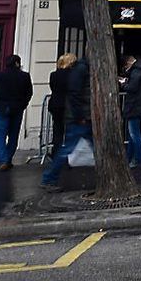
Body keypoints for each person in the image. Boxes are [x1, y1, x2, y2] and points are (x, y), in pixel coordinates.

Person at [40, 58, 92, 192]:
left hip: (80, 116)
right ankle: (49, 178)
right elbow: (75, 95)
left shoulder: (78, 70)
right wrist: (80, 115)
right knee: (67, 149)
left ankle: (49, 178)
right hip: (80, 117)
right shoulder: (81, 70)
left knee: (69, 148)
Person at [0, 55, 33, 171]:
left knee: (0, 136)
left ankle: (3, 160)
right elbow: (29, 93)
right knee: (14, 135)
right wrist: (24, 104)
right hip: (17, 107)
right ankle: (8, 159)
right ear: (17, 63)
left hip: (1, 107)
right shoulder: (24, 76)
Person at [120, 55, 141, 168]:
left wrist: (124, 83)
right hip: (140, 105)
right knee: (133, 134)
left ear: (128, 63)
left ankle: (137, 159)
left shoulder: (136, 72)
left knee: (134, 134)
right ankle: (130, 158)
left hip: (134, 105)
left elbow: (132, 88)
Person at [48, 53, 76, 157]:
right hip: (68, 105)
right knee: (69, 130)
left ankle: (56, 151)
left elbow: (53, 88)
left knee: (57, 129)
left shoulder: (54, 74)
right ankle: (68, 154)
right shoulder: (72, 75)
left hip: (56, 104)